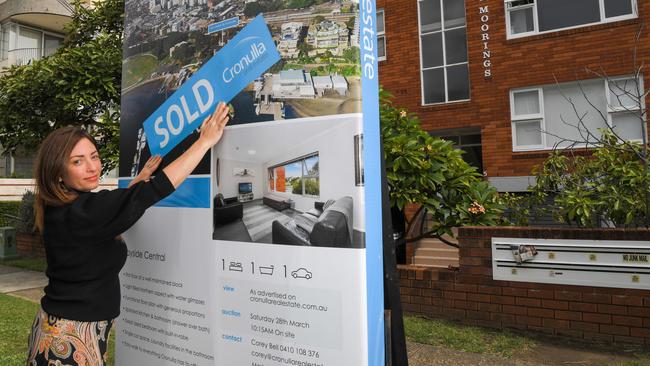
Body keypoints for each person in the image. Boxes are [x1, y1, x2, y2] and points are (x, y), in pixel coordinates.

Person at [26, 102, 230, 366]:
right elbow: (154, 191)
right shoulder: (81, 212)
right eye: (78, 161)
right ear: (58, 173)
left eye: (94, 156)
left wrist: (138, 180)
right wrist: (204, 142)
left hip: (57, 327)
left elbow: (114, 209)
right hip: (70, 337)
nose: (92, 167)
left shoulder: (61, 208)